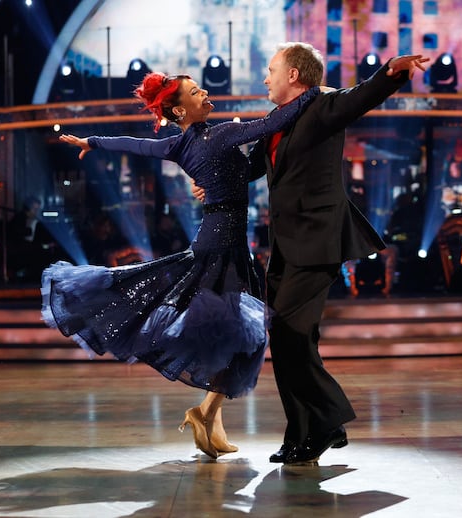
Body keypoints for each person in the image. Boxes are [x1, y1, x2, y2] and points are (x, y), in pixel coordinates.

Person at [42, 71, 320, 459]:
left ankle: (209, 417)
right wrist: (314, 94)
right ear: (179, 109)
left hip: (220, 240)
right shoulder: (220, 135)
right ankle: (206, 414)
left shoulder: (179, 144)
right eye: (195, 92)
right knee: (238, 337)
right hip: (222, 246)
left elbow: (135, 145)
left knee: (234, 338)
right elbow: (273, 122)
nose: (205, 92)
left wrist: (93, 141)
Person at [247, 43, 427, 465]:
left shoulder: (325, 104)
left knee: (291, 334)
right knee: (289, 338)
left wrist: (391, 73)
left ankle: (328, 421)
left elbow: (361, 96)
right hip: (286, 247)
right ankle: (302, 431)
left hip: (317, 240)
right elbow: (252, 166)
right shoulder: (276, 121)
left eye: (271, 70)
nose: (265, 77)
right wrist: (211, 182)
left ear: (294, 75)